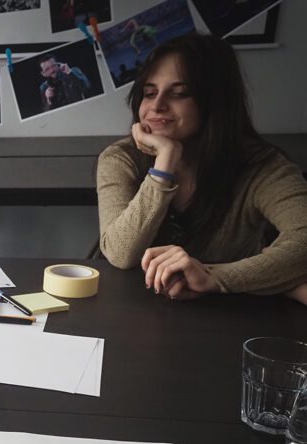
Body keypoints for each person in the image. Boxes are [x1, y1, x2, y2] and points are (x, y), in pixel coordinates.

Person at [96, 34, 307, 302]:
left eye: (179, 93)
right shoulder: (121, 158)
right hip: (131, 309)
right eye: (149, 93)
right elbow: (120, 253)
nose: (157, 105)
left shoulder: (263, 166)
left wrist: (215, 278)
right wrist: (164, 163)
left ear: (215, 100)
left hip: (231, 313)